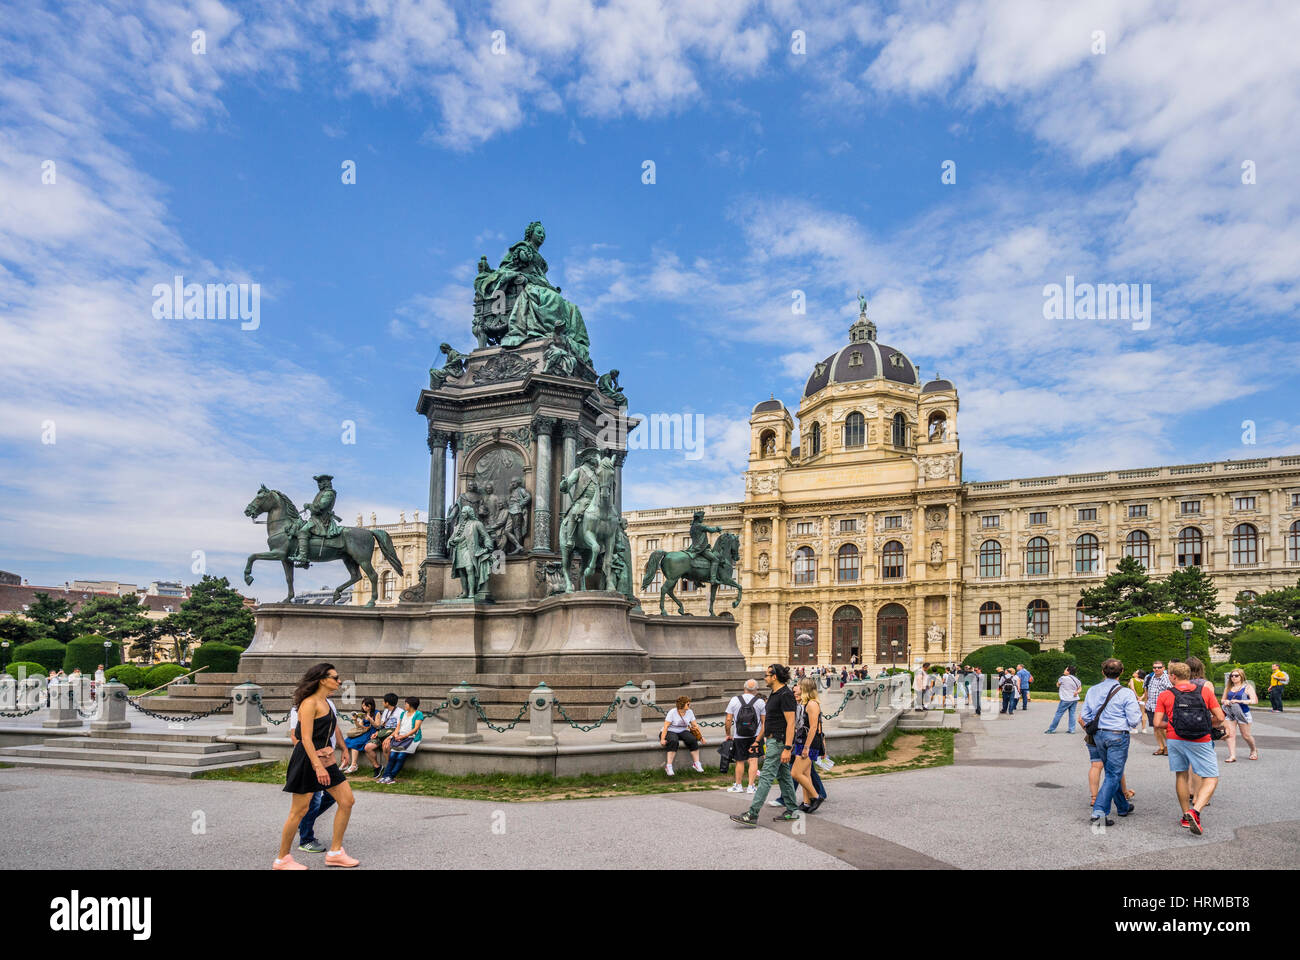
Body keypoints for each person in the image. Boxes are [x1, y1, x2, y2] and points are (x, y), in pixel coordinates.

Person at [275, 663, 357, 869]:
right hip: (307, 760)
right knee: (299, 810)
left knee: (347, 801)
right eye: (335, 677)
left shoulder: (326, 702)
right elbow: (305, 738)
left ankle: (335, 852)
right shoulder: (309, 703)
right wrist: (318, 767)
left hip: (325, 759)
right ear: (322, 679)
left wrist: (339, 749)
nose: (339, 681)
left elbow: (331, 731)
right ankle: (282, 859)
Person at [1154, 661, 1225, 835]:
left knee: (1181, 774)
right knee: (1211, 777)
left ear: (1173, 676)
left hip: (1175, 739)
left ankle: (1186, 815)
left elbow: (1156, 723)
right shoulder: (1205, 691)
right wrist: (1207, 725)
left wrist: (1172, 726)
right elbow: (1220, 717)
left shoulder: (1165, 695)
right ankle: (1196, 809)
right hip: (1201, 739)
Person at [730, 663, 799, 826]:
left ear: (774, 677)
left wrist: (788, 748)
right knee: (784, 776)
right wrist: (757, 740)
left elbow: (791, 723)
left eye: (767, 675)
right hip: (772, 739)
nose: (765, 678)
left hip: (779, 742)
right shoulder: (774, 694)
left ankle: (752, 814)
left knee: (766, 777)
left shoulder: (786, 695)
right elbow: (768, 723)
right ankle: (792, 810)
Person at [1079, 658, 1141, 827]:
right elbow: (1134, 719)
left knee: (1112, 771)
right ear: (1121, 672)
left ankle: (1122, 806)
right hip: (1117, 734)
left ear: (1102, 672)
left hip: (1099, 735)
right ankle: (1099, 811)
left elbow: (1085, 715)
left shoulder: (1093, 690)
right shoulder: (1126, 692)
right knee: (1114, 773)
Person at [287, 693, 341, 855]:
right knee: (313, 801)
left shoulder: (329, 704)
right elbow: (296, 736)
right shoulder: (303, 706)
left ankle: (303, 823)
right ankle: (306, 839)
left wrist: (344, 748)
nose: (337, 683)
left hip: (327, 759)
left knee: (333, 796)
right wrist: (311, 759)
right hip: (312, 760)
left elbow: (335, 729)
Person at [790, 677, 826, 813]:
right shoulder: (804, 703)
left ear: (804, 688)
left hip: (810, 743)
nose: (796, 688)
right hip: (802, 741)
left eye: (799, 685)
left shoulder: (812, 704)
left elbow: (813, 728)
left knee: (795, 773)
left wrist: (806, 747)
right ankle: (806, 802)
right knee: (806, 773)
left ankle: (816, 796)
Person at [724, 680, 766, 793]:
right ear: (756, 690)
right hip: (755, 736)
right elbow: (764, 723)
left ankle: (738, 785)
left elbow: (728, 720)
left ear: (744, 688)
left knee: (740, 761)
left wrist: (728, 734)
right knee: (753, 760)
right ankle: (751, 786)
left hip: (739, 736)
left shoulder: (734, 700)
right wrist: (759, 739)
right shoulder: (760, 702)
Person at [377, 697, 423, 784]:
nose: (405, 705)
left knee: (400, 756)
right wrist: (396, 735)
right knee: (392, 756)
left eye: (406, 704)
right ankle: (385, 776)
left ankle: (391, 776)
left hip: (412, 738)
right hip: (400, 738)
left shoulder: (418, 714)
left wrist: (404, 736)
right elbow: (398, 726)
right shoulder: (403, 713)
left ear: (411, 705)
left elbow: (416, 729)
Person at [660, 695, 704, 776]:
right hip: (670, 730)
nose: (689, 706)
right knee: (673, 740)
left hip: (682, 730)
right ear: (682, 705)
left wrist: (700, 737)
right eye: (688, 704)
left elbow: (695, 725)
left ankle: (696, 763)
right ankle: (668, 766)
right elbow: (666, 726)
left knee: (692, 739)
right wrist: (662, 739)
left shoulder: (690, 712)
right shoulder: (672, 712)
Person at [1222, 669, 1258, 762]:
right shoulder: (1228, 687)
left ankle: (1253, 750)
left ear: (1241, 676)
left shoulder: (1247, 687)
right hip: (1230, 714)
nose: (1233, 677)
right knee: (1230, 734)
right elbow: (1222, 700)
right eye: (1232, 676)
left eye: (1236, 675)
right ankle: (1232, 756)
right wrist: (1225, 701)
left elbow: (1254, 701)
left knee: (1246, 735)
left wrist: (1240, 701)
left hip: (1243, 714)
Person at [366, 693, 399, 777]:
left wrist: (389, 737)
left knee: (386, 746)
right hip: (382, 733)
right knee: (368, 747)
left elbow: (399, 728)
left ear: (387, 703)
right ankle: (377, 767)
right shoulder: (385, 712)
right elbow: (382, 725)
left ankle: (389, 770)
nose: (382, 703)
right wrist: (377, 732)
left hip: (392, 734)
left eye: (383, 701)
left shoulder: (400, 712)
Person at [342, 697, 378, 773]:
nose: (363, 707)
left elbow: (378, 726)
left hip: (371, 732)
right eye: (363, 706)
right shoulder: (363, 714)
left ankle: (354, 765)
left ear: (370, 706)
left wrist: (370, 720)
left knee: (355, 742)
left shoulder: (376, 713)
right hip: (364, 731)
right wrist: (355, 721)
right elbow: (360, 727)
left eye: (365, 706)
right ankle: (345, 763)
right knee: (347, 741)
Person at [1144, 661, 1173, 755]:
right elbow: (1147, 691)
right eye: (1155, 667)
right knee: (1156, 728)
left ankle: (1169, 747)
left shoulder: (1167, 678)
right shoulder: (1150, 677)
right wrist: (1146, 703)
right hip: (1151, 707)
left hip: (1162, 708)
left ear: (1163, 668)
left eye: (1159, 667)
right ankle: (1161, 747)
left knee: (1163, 728)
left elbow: (1172, 692)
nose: (1156, 669)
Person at [1044, 665, 1082, 733]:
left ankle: (1052, 729)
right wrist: (1076, 692)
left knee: (1059, 714)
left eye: (1065, 669)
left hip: (1066, 699)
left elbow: (1058, 685)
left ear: (1068, 671)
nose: (1064, 671)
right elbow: (1080, 688)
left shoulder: (1063, 678)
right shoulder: (1077, 679)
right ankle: (1072, 729)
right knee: (1072, 714)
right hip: (1074, 699)